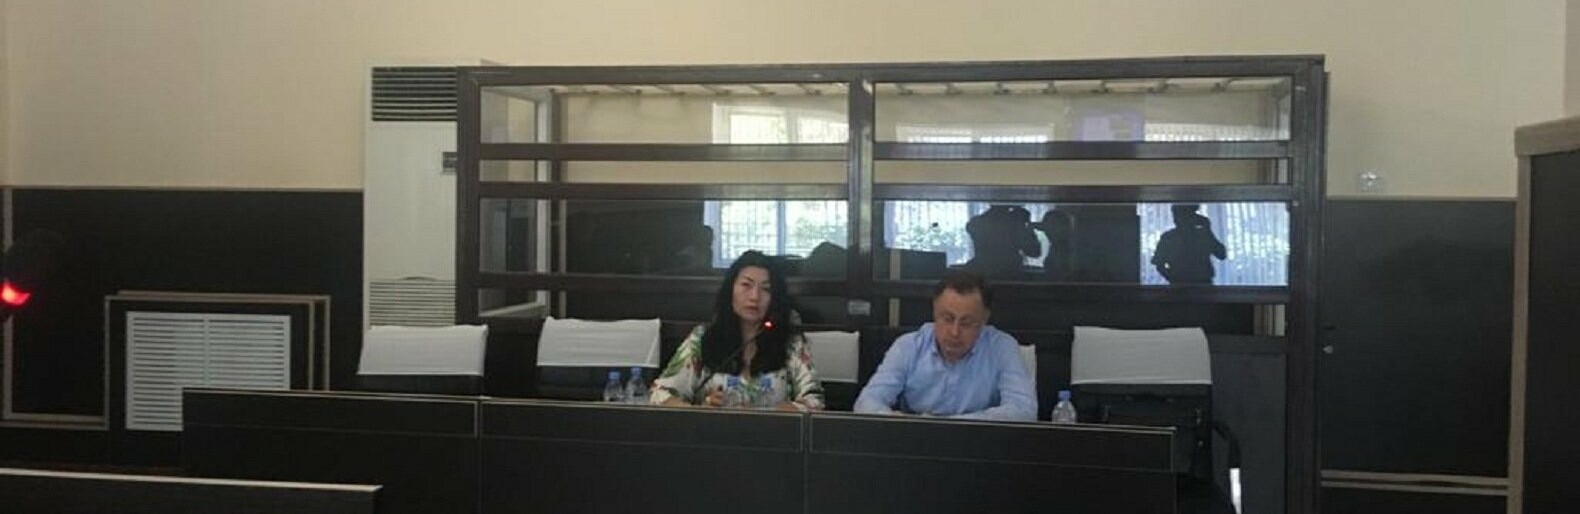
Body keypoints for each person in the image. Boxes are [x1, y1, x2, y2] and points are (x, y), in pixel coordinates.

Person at [651, 250, 825, 410]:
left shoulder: (792, 342)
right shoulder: (702, 338)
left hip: (773, 432)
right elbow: (660, 394)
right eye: (746, 285)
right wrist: (700, 411)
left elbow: (815, 402)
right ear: (730, 290)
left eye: (766, 289)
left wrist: (781, 411)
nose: (755, 297)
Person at [853, 271, 1036, 421]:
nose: (954, 332)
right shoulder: (908, 346)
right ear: (934, 312)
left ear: (984, 319)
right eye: (947, 319)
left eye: (966, 323)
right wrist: (901, 422)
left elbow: (1023, 410)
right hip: (915, 442)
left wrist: (948, 427)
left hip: (979, 444)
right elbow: (867, 402)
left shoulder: (1002, 347)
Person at [1150, 204, 1227, 284]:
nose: (1176, 219)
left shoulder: (1202, 234)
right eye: (1176, 215)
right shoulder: (1169, 237)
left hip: (1204, 284)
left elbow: (1222, 255)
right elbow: (1159, 263)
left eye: (1183, 215)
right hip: (1179, 285)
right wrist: (1173, 279)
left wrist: (1207, 230)